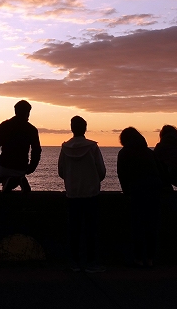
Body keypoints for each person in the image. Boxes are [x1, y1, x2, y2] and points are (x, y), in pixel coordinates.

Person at [58, 116, 106, 273]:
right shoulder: (92, 147)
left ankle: (75, 262)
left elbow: (61, 171)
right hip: (91, 194)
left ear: (72, 128)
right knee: (91, 229)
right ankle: (91, 262)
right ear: (85, 128)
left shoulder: (65, 148)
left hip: (72, 194)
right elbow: (101, 171)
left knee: (74, 229)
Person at [117, 127, 168, 267]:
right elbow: (160, 172)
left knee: (137, 226)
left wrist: (126, 192)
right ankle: (150, 259)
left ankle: (138, 259)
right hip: (153, 191)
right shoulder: (149, 153)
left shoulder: (124, 153)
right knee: (151, 226)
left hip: (136, 192)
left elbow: (122, 175)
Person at [0, 99, 41, 192]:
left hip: (4, 164)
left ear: (15, 111)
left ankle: (10, 182)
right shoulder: (32, 129)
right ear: (28, 112)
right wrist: (32, 167)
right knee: (15, 176)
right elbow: (36, 150)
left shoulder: (5, 125)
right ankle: (18, 180)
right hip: (21, 166)